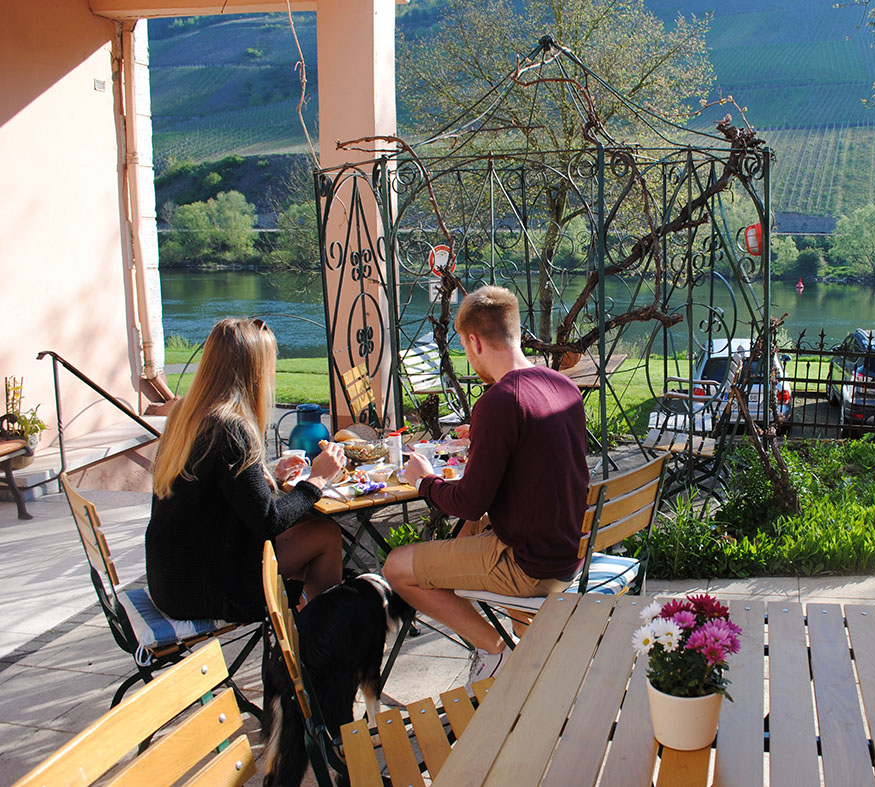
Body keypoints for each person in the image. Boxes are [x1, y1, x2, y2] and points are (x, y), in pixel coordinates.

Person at [382, 285, 589, 684]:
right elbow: (534, 449)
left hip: (528, 566)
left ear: (474, 341)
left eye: (463, 346)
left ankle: (493, 651)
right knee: (463, 538)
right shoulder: (562, 386)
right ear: (514, 331)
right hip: (567, 550)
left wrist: (423, 480)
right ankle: (525, 657)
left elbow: (469, 502)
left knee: (397, 567)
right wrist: (482, 433)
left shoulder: (499, 401)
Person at [146, 317, 347, 623]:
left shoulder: (186, 414)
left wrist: (270, 475)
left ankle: (306, 620)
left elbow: (214, 489)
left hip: (172, 578)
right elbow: (269, 522)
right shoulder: (230, 429)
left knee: (307, 520)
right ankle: (321, 632)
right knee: (326, 534)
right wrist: (318, 478)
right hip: (208, 587)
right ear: (254, 371)